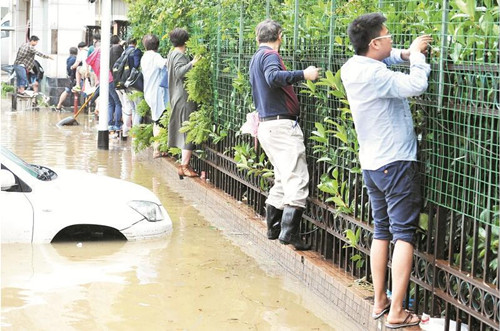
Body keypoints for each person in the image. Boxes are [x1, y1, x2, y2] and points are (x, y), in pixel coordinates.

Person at [340, 13, 432, 329]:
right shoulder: (376, 76)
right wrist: (418, 56)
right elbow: (416, 85)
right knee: (403, 234)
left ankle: (380, 301)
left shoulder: (352, 67)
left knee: (381, 230)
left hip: (372, 163)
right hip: (395, 162)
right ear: (375, 42)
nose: (391, 39)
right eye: (387, 35)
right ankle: (396, 311)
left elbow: (387, 56)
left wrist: (404, 52)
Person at [249, 19, 320, 250]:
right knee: (297, 179)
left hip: (268, 126)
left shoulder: (255, 58)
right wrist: (304, 74)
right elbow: (272, 77)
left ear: (257, 37)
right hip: (281, 127)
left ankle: (273, 228)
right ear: (280, 35)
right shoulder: (270, 55)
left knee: (282, 178)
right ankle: (290, 235)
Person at [166, 28, 201, 178]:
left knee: (184, 128)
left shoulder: (171, 53)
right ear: (186, 41)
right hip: (183, 97)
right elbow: (180, 72)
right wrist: (193, 63)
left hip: (176, 96)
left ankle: (184, 163)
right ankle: (184, 166)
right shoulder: (179, 55)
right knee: (188, 130)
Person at [140, 34, 170, 158]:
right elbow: (165, 64)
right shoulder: (155, 56)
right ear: (157, 45)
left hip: (149, 92)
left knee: (157, 119)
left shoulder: (145, 56)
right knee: (159, 121)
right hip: (157, 92)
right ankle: (157, 149)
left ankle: (159, 147)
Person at [86, 39, 122, 131]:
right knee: (118, 102)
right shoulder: (105, 51)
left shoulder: (96, 54)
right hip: (110, 79)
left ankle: (110, 124)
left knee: (111, 102)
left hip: (103, 80)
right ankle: (117, 125)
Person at [117, 38, 143, 138]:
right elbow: (136, 65)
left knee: (131, 108)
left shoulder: (124, 53)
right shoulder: (136, 52)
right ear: (135, 43)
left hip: (125, 84)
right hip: (134, 84)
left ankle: (126, 131)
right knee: (138, 110)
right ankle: (135, 134)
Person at [54, 46, 78, 111]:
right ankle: (59, 105)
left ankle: (59, 106)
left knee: (67, 91)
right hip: (73, 78)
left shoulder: (69, 58)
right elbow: (71, 69)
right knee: (67, 91)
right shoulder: (74, 59)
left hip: (70, 77)